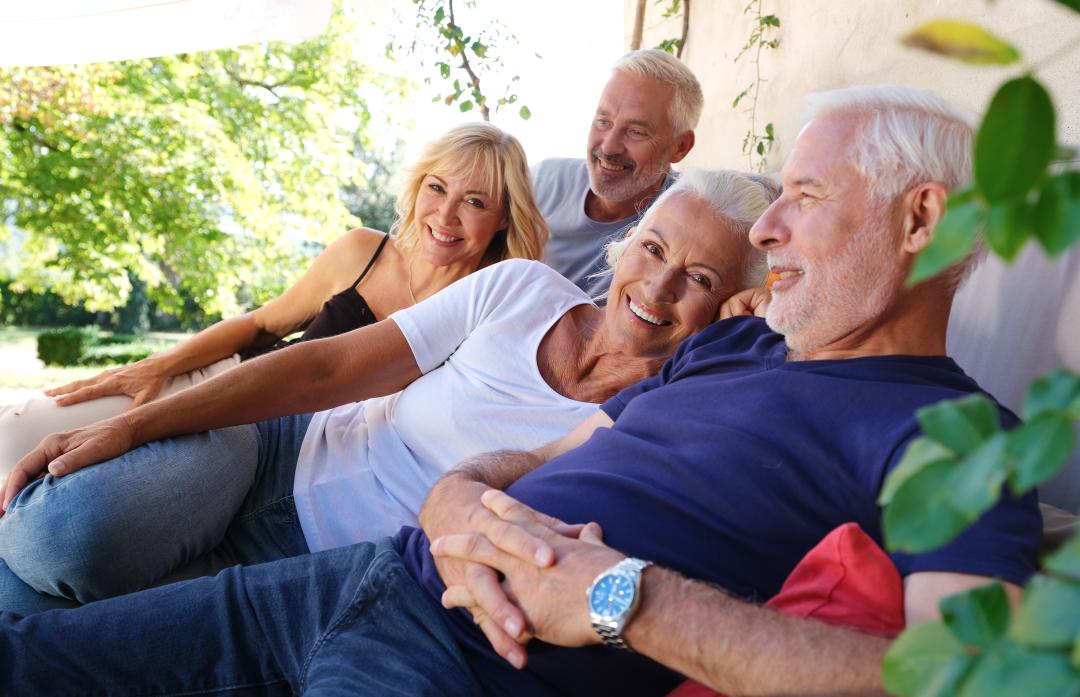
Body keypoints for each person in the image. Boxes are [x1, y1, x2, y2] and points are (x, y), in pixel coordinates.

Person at [0, 85, 1040, 697]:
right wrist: (458, 493)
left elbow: (967, 675)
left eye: (803, 200)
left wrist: (621, 594)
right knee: (34, 658)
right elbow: (555, 456)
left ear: (923, 222)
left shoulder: (958, 437)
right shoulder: (730, 353)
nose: (768, 234)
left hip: (461, 658)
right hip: (381, 567)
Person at [0, 169, 776, 616]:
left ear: (735, 304)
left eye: (701, 279)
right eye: (653, 247)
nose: (660, 283)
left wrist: (757, 333)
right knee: (53, 541)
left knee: (74, 633)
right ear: (623, 246)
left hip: (341, 579)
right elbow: (328, 368)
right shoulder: (520, 290)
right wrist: (136, 428)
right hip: (275, 458)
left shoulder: (661, 411)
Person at [0, 121, 549, 473]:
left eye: (474, 201)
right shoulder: (363, 252)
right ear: (418, 187)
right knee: (14, 432)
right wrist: (157, 366)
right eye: (437, 188)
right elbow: (261, 326)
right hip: (222, 382)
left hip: (277, 454)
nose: (445, 216)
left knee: (72, 482)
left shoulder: (487, 318)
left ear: (503, 218)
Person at [535, 48, 701, 294]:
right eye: (604, 122)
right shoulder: (542, 183)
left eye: (636, 131)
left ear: (680, 147)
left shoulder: (688, 216)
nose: (609, 146)